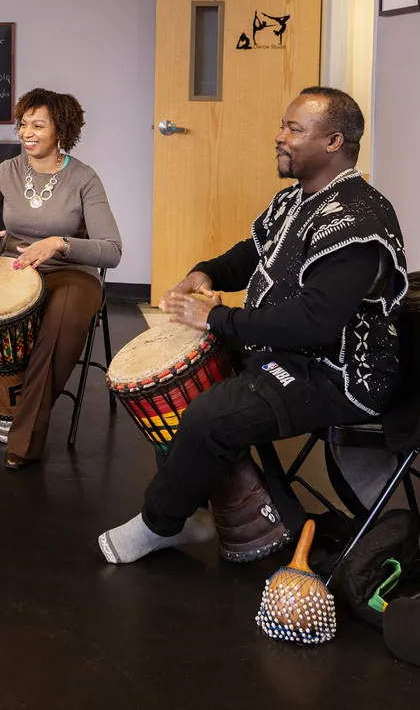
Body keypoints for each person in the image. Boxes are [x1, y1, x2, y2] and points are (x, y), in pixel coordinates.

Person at [98, 87, 408, 564]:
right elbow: (253, 251)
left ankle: (160, 523)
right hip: (286, 352)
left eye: (293, 129)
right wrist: (207, 273)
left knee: (205, 414)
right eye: (283, 126)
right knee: (177, 385)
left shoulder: (358, 220)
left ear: (333, 141)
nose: (279, 137)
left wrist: (218, 318)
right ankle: (200, 505)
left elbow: (313, 324)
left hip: (337, 374)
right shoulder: (295, 199)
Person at [0, 88, 123, 468]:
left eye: (38, 125)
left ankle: (25, 434)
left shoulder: (84, 179)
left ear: (60, 130)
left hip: (68, 276)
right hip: (12, 272)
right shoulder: (5, 172)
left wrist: (61, 243)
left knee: (64, 311)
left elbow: (111, 249)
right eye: (23, 124)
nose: (27, 133)